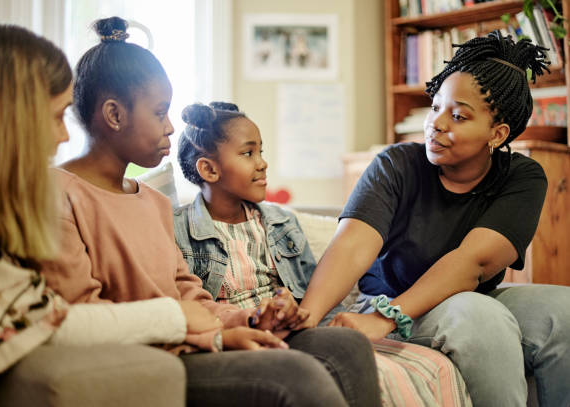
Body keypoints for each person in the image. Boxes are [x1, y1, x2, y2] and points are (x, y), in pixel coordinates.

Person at [40, 16, 380, 407]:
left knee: (345, 347)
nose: (170, 127)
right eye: (159, 112)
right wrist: (215, 337)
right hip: (145, 359)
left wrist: (250, 320)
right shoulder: (58, 194)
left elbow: (188, 292)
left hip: (192, 340)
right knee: (292, 376)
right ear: (115, 115)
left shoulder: (152, 202)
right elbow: (84, 317)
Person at [298, 30, 570, 407]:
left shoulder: (522, 177)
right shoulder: (395, 165)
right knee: (479, 313)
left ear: (497, 133)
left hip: (460, 299)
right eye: (435, 107)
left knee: (564, 310)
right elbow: (352, 244)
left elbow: (472, 264)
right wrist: (305, 320)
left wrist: (388, 319)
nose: (436, 123)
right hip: (386, 300)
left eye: (458, 115)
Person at [174, 101, 471, 407]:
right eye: (248, 153)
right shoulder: (176, 231)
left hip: (288, 329)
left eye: (261, 152)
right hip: (231, 333)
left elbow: (310, 294)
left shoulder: (280, 223)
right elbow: (189, 306)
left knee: (367, 349)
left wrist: (290, 308)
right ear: (209, 169)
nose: (262, 163)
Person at [0, 24, 187, 407]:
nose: (64, 136)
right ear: (9, 118)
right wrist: (181, 319)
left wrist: (223, 322)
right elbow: (44, 322)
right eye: (56, 116)